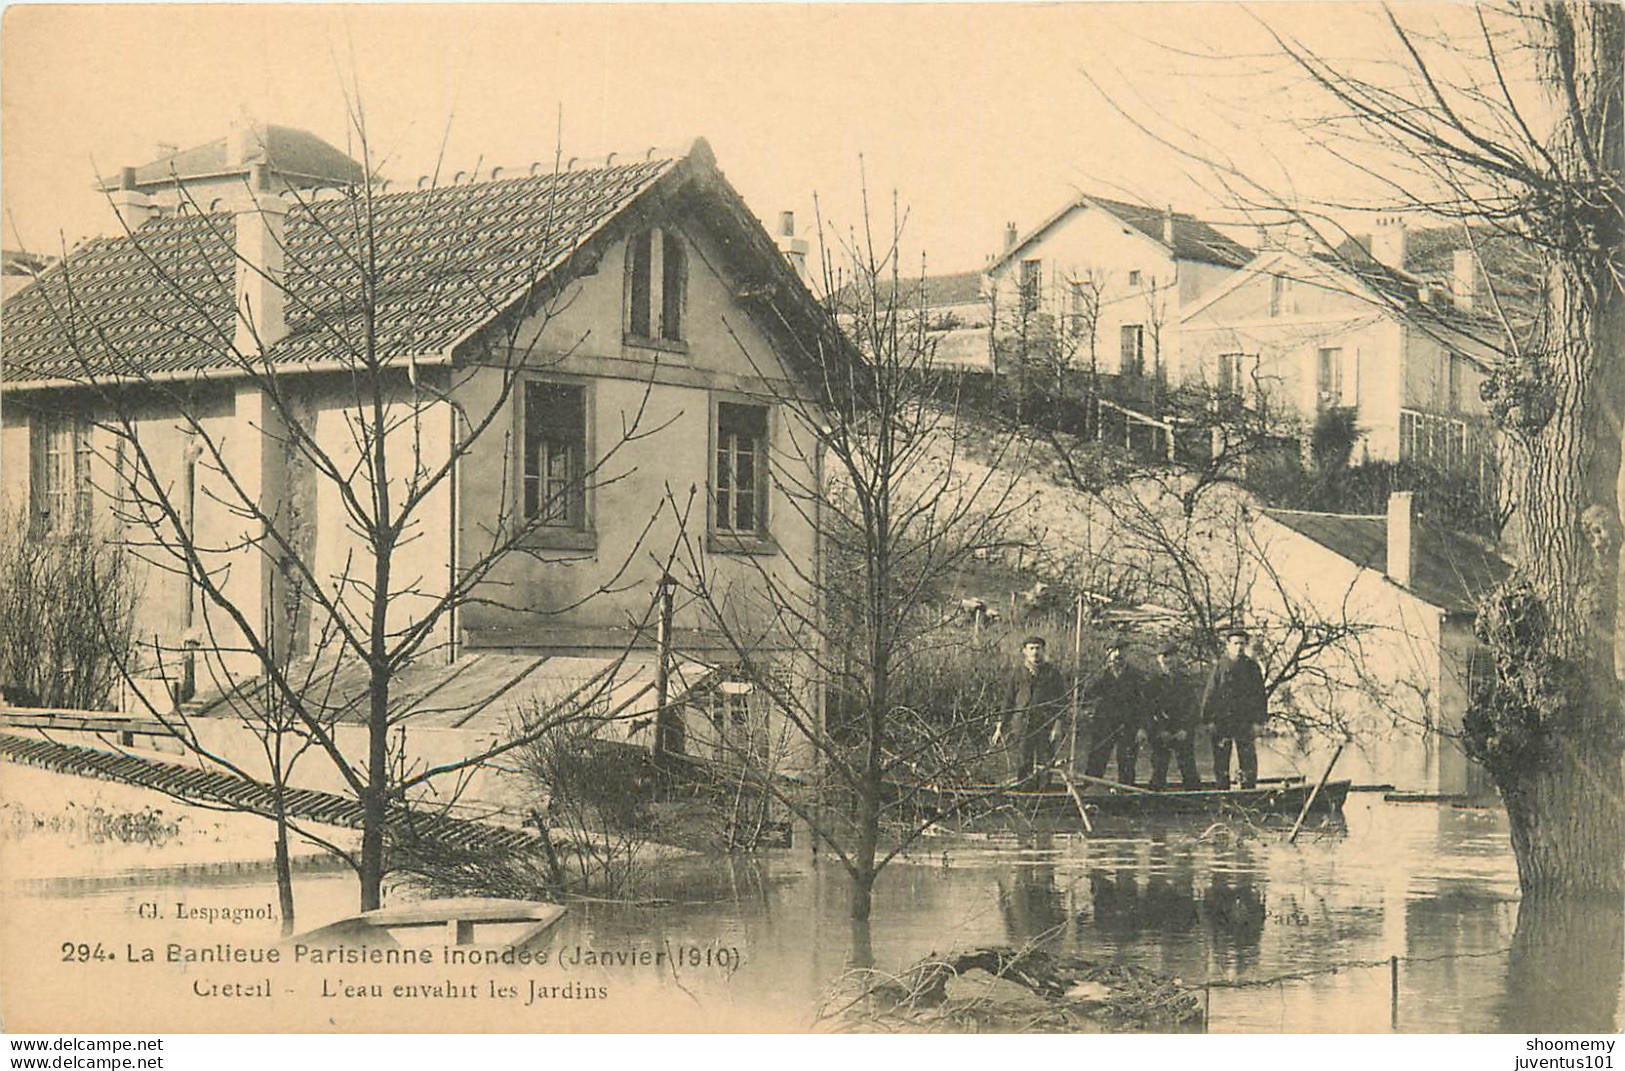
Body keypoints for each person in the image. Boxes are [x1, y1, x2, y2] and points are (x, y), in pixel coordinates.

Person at [993, 636, 1069, 783]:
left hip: (1045, 724)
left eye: (1038, 648)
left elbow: (1062, 702)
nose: (1035, 652)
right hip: (1023, 724)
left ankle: (1043, 794)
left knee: (1045, 761)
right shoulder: (1018, 673)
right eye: (1031, 648)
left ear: (1043, 650)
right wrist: (1000, 726)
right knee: (1024, 761)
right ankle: (1025, 794)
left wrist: (1058, 726)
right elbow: (1008, 701)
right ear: (1024, 651)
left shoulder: (1052, 673)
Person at [1200, 628, 1268, 789]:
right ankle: (1222, 792)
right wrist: (1208, 720)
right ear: (1228, 645)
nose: (1239, 647)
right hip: (1222, 722)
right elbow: (1210, 694)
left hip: (1244, 722)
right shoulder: (1220, 667)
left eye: (1242, 644)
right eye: (1236, 643)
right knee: (1221, 760)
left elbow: (1260, 696)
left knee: (1248, 759)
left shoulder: (1252, 667)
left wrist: (1259, 722)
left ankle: (1248, 792)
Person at [1082, 636, 1147, 786]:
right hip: (1104, 725)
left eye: (1121, 650)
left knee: (1127, 763)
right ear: (1108, 653)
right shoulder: (1100, 675)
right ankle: (1090, 791)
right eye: (1113, 650)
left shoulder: (1137, 676)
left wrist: (1142, 728)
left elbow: (1145, 705)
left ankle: (1126, 794)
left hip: (1128, 726)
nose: (1118, 654)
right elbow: (1086, 697)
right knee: (1097, 760)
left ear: (1127, 653)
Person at [1147, 642, 1202, 790]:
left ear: (1177, 657)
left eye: (1171, 656)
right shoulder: (1152, 682)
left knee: (1188, 767)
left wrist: (1185, 729)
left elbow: (1194, 709)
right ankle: (1155, 799)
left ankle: (1195, 798)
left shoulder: (1185, 681)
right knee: (1159, 767)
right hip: (1161, 731)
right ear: (1158, 659)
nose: (1167, 660)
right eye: (1164, 656)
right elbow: (1149, 710)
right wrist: (1160, 730)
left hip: (1182, 731)